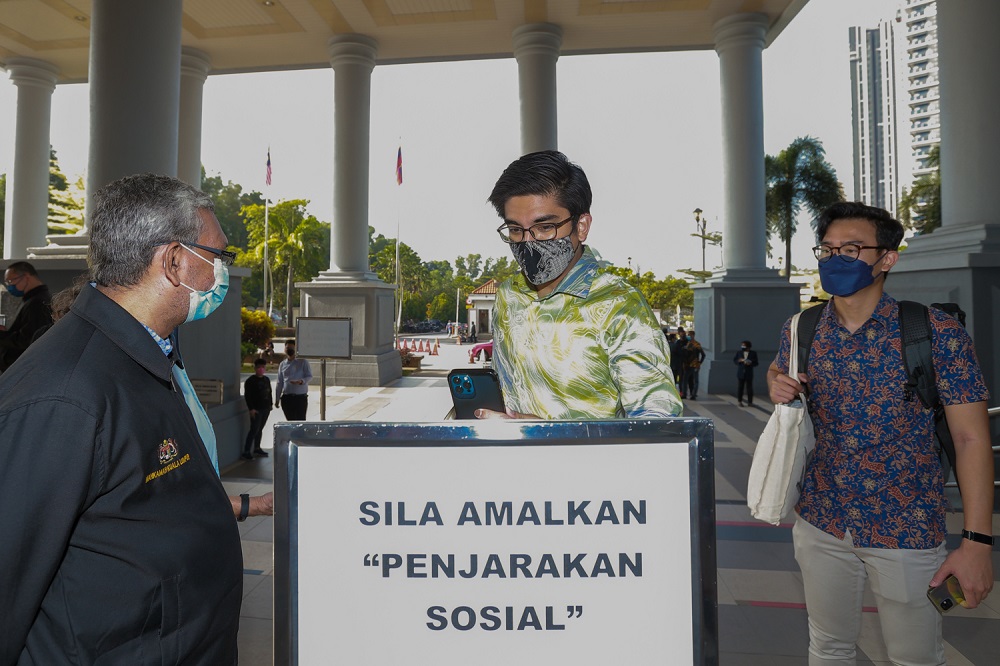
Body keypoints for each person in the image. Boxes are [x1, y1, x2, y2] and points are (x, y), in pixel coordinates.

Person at [0, 173, 264, 664]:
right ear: (175, 262)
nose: (222, 273)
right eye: (218, 257)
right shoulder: (66, 396)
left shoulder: (143, 357)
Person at [766, 201, 993, 665]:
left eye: (851, 249)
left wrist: (976, 543)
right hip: (822, 518)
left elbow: (972, 440)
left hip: (907, 525)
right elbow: (780, 373)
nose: (835, 259)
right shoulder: (802, 329)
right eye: (827, 250)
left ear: (886, 258)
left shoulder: (934, 333)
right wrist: (776, 380)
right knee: (828, 647)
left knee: (915, 658)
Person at [480, 150, 681, 419]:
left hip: (592, 461)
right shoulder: (509, 295)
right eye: (516, 229)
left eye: (545, 227)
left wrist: (546, 434)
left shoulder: (619, 305)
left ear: (581, 226)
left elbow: (657, 424)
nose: (528, 242)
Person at [0, 261, 53, 371]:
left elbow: (28, 339)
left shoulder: (37, 303)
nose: (9, 286)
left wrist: (2, 336)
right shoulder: (34, 299)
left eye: (11, 281)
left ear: (26, 276)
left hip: (24, 368)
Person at [243, 358, 273, 459]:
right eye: (259, 367)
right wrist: (251, 409)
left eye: (263, 367)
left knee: (260, 429)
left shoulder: (266, 380)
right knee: (254, 429)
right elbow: (248, 396)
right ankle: (247, 451)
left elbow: (269, 392)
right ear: (255, 368)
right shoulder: (250, 381)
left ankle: (257, 447)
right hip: (256, 410)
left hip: (266, 408)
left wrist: (270, 405)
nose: (261, 369)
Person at [276, 340, 311, 420]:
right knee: (290, 422)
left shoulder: (303, 362)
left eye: (292, 348)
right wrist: (277, 398)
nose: (289, 350)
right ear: (285, 349)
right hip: (287, 398)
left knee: (300, 421)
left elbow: (309, 376)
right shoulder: (282, 364)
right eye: (287, 348)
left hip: (300, 398)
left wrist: (301, 381)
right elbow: (280, 382)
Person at [734, 339, 758, 406]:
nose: (742, 346)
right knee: (740, 387)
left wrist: (750, 363)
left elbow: (756, 363)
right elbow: (735, 360)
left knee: (749, 388)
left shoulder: (753, 353)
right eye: (742, 345)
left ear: (748, 346)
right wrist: (739, 361)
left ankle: (750, 402)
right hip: (741, 373)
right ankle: (740, 401)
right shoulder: (739, 353)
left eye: (744, 345)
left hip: (749, 373)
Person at [682, 330, 705, 400]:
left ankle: (693, 395)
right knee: (685, 380)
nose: (689, 336)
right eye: (688, 335)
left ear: (693, 335)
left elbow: (703, 355)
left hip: (695, 365)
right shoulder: (688, 344)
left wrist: (699, 362)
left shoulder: (697, 345)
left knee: (695, 380)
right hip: (687, 365)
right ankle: (684, 394)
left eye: (690, 335)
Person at [671, 327, 687, 397]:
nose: (682, 336)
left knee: (681, 379)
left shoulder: (686, 342)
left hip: (681, 363)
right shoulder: (678, 343)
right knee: (676, 378)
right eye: (681, 334)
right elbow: (675, 352)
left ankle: (681, 392)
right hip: (677, 363)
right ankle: (676, 392)